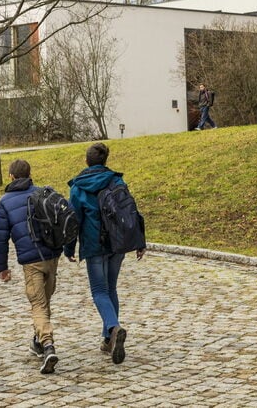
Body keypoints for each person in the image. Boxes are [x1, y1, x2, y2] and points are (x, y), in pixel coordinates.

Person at [65, 142, 145, 365]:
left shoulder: (79, 187)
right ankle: (108, 339)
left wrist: (69, 248)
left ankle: (113, 327)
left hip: (93, 245)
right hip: (117, 244)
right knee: (111, 288)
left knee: (99, 291)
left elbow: (74, 221)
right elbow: (131, 210)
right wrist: (140, 240)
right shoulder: (116, 180)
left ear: (86, 161)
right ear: (105, 161)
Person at [0, 159, 63, 374]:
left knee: (38, 304)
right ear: (29, 174)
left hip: (31, 261)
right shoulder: (43, 193)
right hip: (52, 256)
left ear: (11, 176)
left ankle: (48, 345)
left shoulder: (5, 202)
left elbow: (0, 237)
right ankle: (39, 340)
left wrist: (2, 267)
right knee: (44, 301)